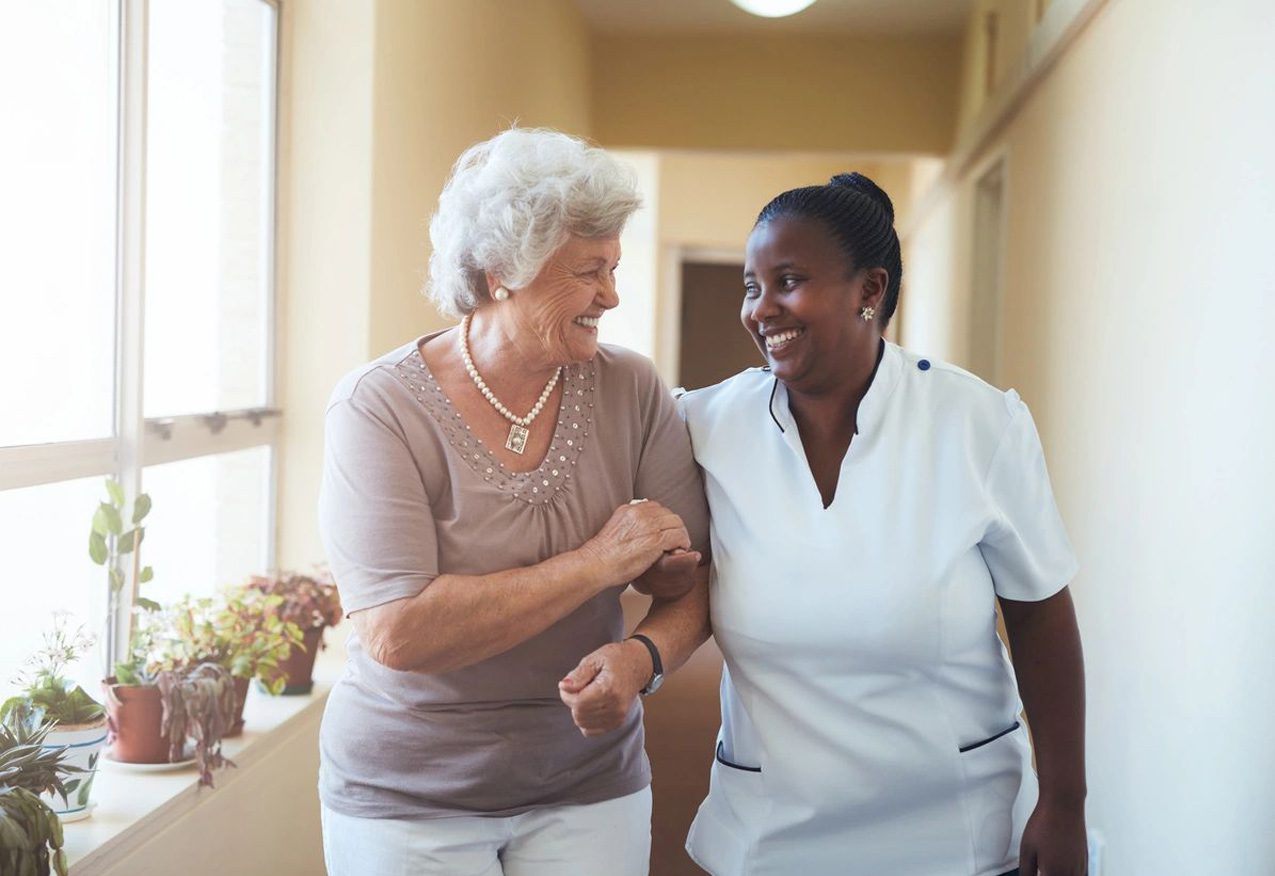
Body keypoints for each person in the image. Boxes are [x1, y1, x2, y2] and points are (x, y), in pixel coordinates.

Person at [563, 172, 1087, 876]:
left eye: (787, 280)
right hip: (774, 827)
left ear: (869, 291)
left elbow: (1040, 614)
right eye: (751, 286)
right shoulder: (702, 424)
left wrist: (1064, 801)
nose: (760, 309)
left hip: (954, 823)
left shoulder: (975, 423)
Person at [317, 128, 710, 876]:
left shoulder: (631, 388)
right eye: (589, 271)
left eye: (614, 267)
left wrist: (640, 657)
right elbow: (399, 634)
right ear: (501, 271)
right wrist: (599, 563)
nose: (612, 295)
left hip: (589, 778)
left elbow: (694, 583)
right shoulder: (378, 407)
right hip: (408, 794)